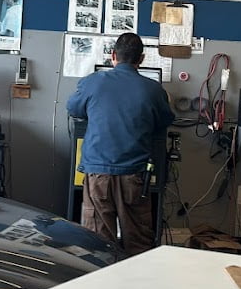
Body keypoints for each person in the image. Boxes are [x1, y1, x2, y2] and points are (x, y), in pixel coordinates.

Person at [66, 32, 175, 255]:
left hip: (98, 173)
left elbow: (73, 109)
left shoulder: (92, 82)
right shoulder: (153, 90)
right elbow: (165, 121)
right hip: (134, 176)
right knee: (138, 240)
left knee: (97, 241)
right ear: (141, 59)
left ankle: (100, 285)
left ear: (112, 55)